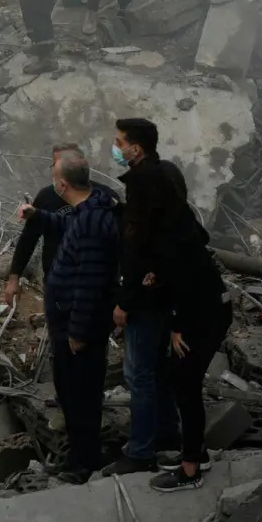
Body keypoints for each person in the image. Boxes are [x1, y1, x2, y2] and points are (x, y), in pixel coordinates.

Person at [16, 154, 122, 483]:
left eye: (53, 176)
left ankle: (84, 461)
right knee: (70, 388)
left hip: (80, 327)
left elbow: (89, 281)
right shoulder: (87, 210)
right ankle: (79, 453)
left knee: (81, 392)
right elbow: (65, 225)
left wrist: (76, 330)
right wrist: (37, 215)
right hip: (70, 322)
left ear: (63, 184)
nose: (52, 181)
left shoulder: (91, 222)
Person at [106, 117, 191, 476]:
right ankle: (169, 436)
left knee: (138, 373)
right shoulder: (167, 173)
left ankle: (140, 451)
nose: (117, 147)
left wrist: (124, 300)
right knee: (158, 367)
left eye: (120, 142)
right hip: (167, 287)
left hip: (145, 293)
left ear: (135, 148)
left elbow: (139, 246)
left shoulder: (141, 181)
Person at [149, 207, 230, 492]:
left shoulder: (170, 232)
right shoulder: (179, 221)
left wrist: (177, 327)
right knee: (182, 380)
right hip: (210, 309)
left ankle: (190, 470)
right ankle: (196, 453)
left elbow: (185, 284)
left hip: (202, 316)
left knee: (185, 383)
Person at [2, 143, 85, 305]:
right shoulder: (47, 196)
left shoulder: (101, 196)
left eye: (60, 164)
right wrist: (14, 278)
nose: (55, 169)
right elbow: (29, 238)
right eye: (54, 164)